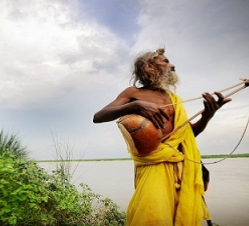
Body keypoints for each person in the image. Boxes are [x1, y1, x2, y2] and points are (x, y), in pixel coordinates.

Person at [93, 47, 231, 226]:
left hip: (182, 167)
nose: (172, 66)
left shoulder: (174, 98)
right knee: (152, 217)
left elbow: (189, 134)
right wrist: (134, 106)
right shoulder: (133, 93)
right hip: (153, 166)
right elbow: (99, 116)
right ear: (149, 66)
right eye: (165, 61)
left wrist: (207, 115)